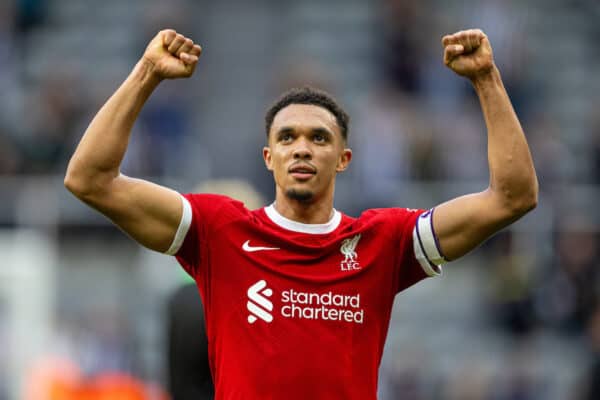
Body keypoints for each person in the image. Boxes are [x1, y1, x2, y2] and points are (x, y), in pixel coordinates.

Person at [64, 28, 538, 399]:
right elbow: (89, 178)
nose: (302, 149)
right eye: (287, 138)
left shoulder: (383, 241)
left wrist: (486, 79)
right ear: (268, 157)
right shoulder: (219, 231)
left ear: (344, 159)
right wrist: (148, 72)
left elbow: (512, 197)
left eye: (319, 138)